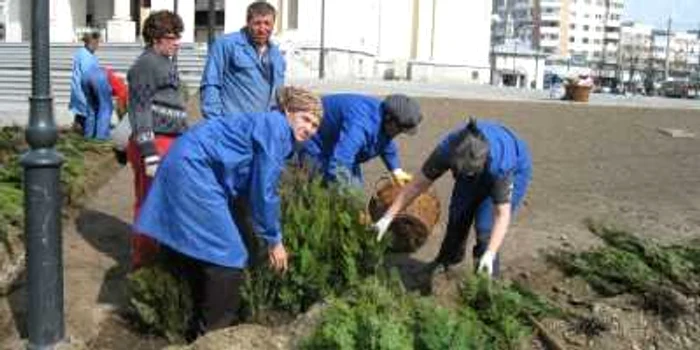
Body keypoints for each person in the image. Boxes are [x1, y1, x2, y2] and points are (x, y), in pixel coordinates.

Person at [134, 86, 322, 337]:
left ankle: (184, 313)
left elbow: (246, 183)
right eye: (306, 118)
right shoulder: (276, 129)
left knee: (199, 249)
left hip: (188, 163)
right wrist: (274, 240)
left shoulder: (271, 125)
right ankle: (213, 336)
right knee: (228, 255)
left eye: (315, 125)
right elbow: (263, 191)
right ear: (288, 111)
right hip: (195, 171)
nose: (309, 128)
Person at [372, 118, 532, 278]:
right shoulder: (447, 148)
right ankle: (447, 260)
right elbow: (416, 185)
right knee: (458, 213)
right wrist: (387, 218)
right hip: (472, 165)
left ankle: (486, 279)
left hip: (515, 169)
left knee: (485, 228)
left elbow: (501, 214)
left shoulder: (501, 167)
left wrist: (490, 253)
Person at [126, 10, 187, 269]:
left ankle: (157, 258)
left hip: (169, 142)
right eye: (172, 37)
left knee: (164, 204)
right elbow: (139, 108)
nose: (177, 42)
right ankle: (143, 265)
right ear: (156, 38)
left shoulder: (163, 61)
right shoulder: (146, 64)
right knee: (149, 206)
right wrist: (149, 151)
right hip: (154, 144)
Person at [298, 93, 423, 186]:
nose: (399, 133)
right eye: (399, 129)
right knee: (321, 186)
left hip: (337, 142)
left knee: (355, 187)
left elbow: (386, 141)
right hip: (314, 139)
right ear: (389, 118)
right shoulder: (360, 126)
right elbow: (338, 165)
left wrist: (396, 170)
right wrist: (350, 200)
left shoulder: (383, 117)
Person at [200, 1, 286, 118]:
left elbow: (278, 96)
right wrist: (216, 121)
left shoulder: (276, 56)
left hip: (262, 128)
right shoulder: (226, 44)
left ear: (273, 25)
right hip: (232, 127)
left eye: (267, 23)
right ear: (248, 22)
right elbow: (211, 84)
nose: (262, 29)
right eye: (257, 23)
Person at [69, 31, 101, 134]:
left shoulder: (85, 54)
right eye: (96, 43)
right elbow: (89, 76)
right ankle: (84, 135)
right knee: (86, 116)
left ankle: (77, 133)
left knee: (81, 115)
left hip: (80, 91)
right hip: (83, 92)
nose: (97, 46)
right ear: (91, 42)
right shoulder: (85, 55)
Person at [80, 66, 113, 140]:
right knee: (106, 108)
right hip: (99, 77)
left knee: (91, 107)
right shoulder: (119, 82)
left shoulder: (107, 72)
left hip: (85, 77)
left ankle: (88, 135)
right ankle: (101, 137)